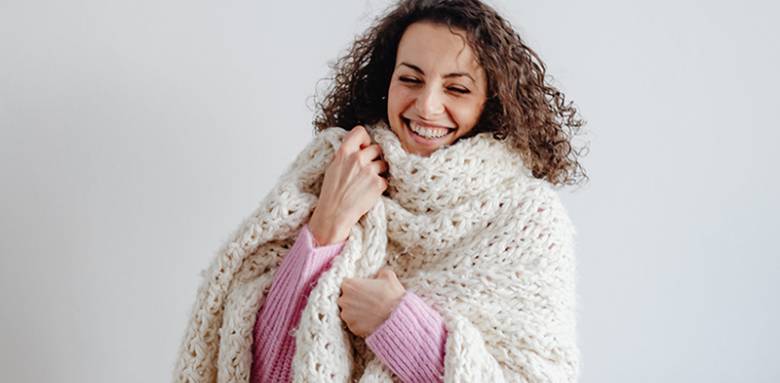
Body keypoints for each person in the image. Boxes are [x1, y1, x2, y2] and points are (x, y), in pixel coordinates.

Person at [173, 1, 588, 382]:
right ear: (386, 81)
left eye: (457, 88)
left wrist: (395, 321)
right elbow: (257, 367)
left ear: (491, 101)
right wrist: (327, 226)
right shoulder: (330, 171)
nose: (426, 106)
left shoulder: (527, 218)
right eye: (411, 78)